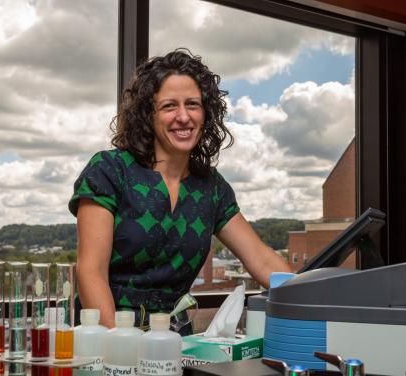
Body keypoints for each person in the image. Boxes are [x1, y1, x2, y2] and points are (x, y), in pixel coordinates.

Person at [68, 48, 291, 331]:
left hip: (173, 340)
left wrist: (312, 294)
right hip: (107, 336)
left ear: (205, 113)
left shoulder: (213, 187)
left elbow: (261, 260)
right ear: (149, 115)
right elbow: (91, 273)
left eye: (193, 104)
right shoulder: (109, 170)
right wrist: (120, 347)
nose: (183, 117)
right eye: (169, 106)